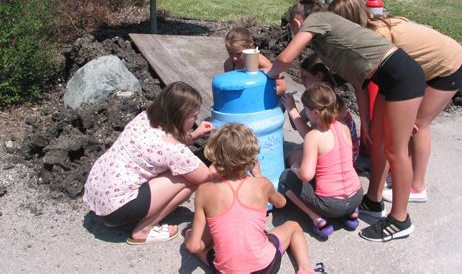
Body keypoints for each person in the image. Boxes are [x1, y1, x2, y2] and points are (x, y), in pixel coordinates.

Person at [264, 0, 426, 242]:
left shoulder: (317, 19)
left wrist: (270, 75)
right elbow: (358, 83)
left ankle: (400, 219)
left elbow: (286, 58)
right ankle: (373, 203)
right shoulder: (327, 44)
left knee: (396, 151)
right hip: (386, 79)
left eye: (293, 29)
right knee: (381, 144)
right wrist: (367, 121)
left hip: (401, 76)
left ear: (297, 23)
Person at [328, 0, 462, 203]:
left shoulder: (376, 39)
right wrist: (366, 122)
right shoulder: (367, 31)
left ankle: (416, 186)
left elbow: (367, 81)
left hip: (449, 66)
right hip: (413, 71)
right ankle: (397, 174)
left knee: (417, 124)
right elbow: (361, 83)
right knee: (386, 127)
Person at [83, 81, 217, 245]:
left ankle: (140, 215)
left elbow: (168, 140)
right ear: (179, 116)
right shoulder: (174, 150)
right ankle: (143, 230)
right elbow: (205, 177)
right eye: (193, 117)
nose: (196, 119)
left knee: (181, 169)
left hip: (98, 192)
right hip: (117, 209)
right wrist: (228, 158)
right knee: (190, 179)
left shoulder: (144, 118)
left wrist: (195, 135)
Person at [184, 123, 314, 274]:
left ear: (215, 156)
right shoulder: (262, 184)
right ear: (251, 157)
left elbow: (193, 246)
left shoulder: (204, 191)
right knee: (293, 226)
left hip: (225, 271)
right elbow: (281, 203)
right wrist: (258, 174)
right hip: (265, 267)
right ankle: (306, 269)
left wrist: (192, 238)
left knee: (192, 237)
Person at [279, 83, 363, 237]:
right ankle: (351, 214)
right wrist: (293, 110)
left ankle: (317, 218)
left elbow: (306, 176)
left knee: (286, 177)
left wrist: (296, 168)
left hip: (331, 205)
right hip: (356, 196)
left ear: (315, 112)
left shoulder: (314, 137)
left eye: (306, 110)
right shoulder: (343, 127)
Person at [281, 54, 360, 164]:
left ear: (319, 76)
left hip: (343, 156)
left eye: (305, 77)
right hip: (336, 149)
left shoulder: (326, 101)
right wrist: (290, 106)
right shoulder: (319, 95)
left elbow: (311, 137)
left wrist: (292, 110)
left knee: (292, 159)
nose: (302, 81)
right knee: (292, 155)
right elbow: (296, 125)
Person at [224, 26, 286, 95]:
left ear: (251, 47)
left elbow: (281, 87)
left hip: (263, 99)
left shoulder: (259, 61)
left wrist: (257, 96)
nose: (234, 58)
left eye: (238, 54)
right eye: (230, 53)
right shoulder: (229, 65)